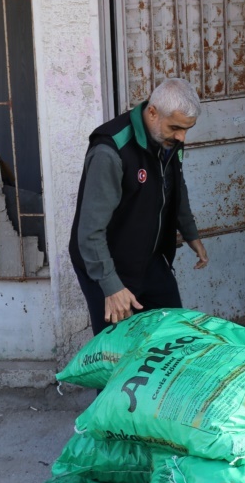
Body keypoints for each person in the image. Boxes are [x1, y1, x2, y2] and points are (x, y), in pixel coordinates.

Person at [69, 78, 210, 332]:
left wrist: (191, 233)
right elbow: (89, 233)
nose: (182, 136)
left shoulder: (169, 140)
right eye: (176, 127)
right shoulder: (110, 151)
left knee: (173, 333)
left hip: (148, 257)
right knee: (118, 350)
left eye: (188, 128)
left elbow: (176, 186)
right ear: (153, 112)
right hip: (107, 262)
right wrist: (111, 287)